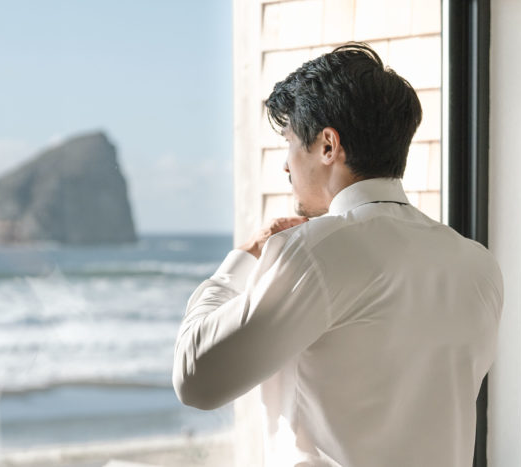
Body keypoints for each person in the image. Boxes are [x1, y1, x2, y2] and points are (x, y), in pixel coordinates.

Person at [172, 42, 503, 467]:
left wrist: (244, 259)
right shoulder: (478, 264)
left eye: (290, 143)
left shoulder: (314, 253)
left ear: (328, 145)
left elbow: (196, 379)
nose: (286, 167)